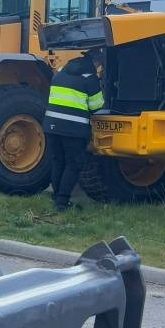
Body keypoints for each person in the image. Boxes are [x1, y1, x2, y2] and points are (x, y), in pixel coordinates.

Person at [43, 53, 104, 211]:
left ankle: (57, 197)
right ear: (94, 62)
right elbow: (97, 106)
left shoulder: (60, 73)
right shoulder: (90, 78)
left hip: (51, 125)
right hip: (73, 129)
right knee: (74, 164)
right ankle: (62, 202)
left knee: (58, 161)